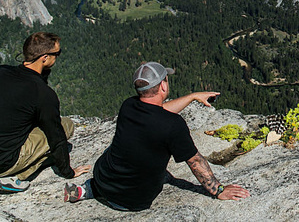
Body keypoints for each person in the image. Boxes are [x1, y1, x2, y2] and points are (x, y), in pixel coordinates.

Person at [64, 61, 250, 210]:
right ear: (162, 85)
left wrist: (192, 96)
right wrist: (218, 190)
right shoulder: (173, 125)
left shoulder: (128, 105)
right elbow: (195, 162)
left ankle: (87, 190)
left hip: (103, 181)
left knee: (115, 150)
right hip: (132, 202)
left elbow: (159, 111)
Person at [0, 32, 91, 192]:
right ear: (45, 58)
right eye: (57, 54)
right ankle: (15, 178)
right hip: (0, 164)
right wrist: (68, 172)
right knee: (66, 125)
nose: (58, 57)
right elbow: (56, 137)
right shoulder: (42, 93)